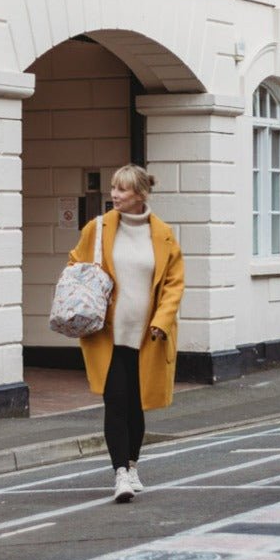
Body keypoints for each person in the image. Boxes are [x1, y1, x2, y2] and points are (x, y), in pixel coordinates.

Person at [67, 165, 185, 503]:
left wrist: (162, 320)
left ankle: (132, 464)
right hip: (107, 333)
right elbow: (76, 261)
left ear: (140, 195)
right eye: (114, 188)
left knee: (137, 404)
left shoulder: (163, 235)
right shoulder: (98, 229)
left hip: (148, 337)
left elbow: (174, 284)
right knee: (115, 400)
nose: (115, 194)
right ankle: (120, 472)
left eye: (122, 190)